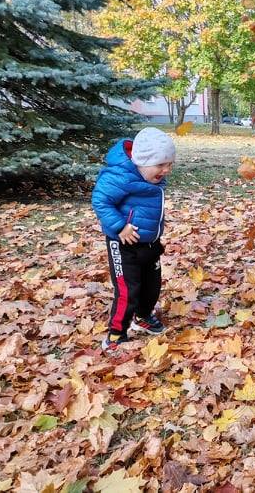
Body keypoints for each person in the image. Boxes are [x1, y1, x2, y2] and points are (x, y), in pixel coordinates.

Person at [92, 127, 176, 353]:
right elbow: (100, 200)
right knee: (128, 290)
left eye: (170, 164)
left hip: (149, 243)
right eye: (161, 164)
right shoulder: (121, 176)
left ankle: (143, 316)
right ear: (141, 161)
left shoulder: (150, 176)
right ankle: (116, 334)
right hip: (124, 245)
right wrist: (120, 226)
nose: (166, 170)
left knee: (151, 286)